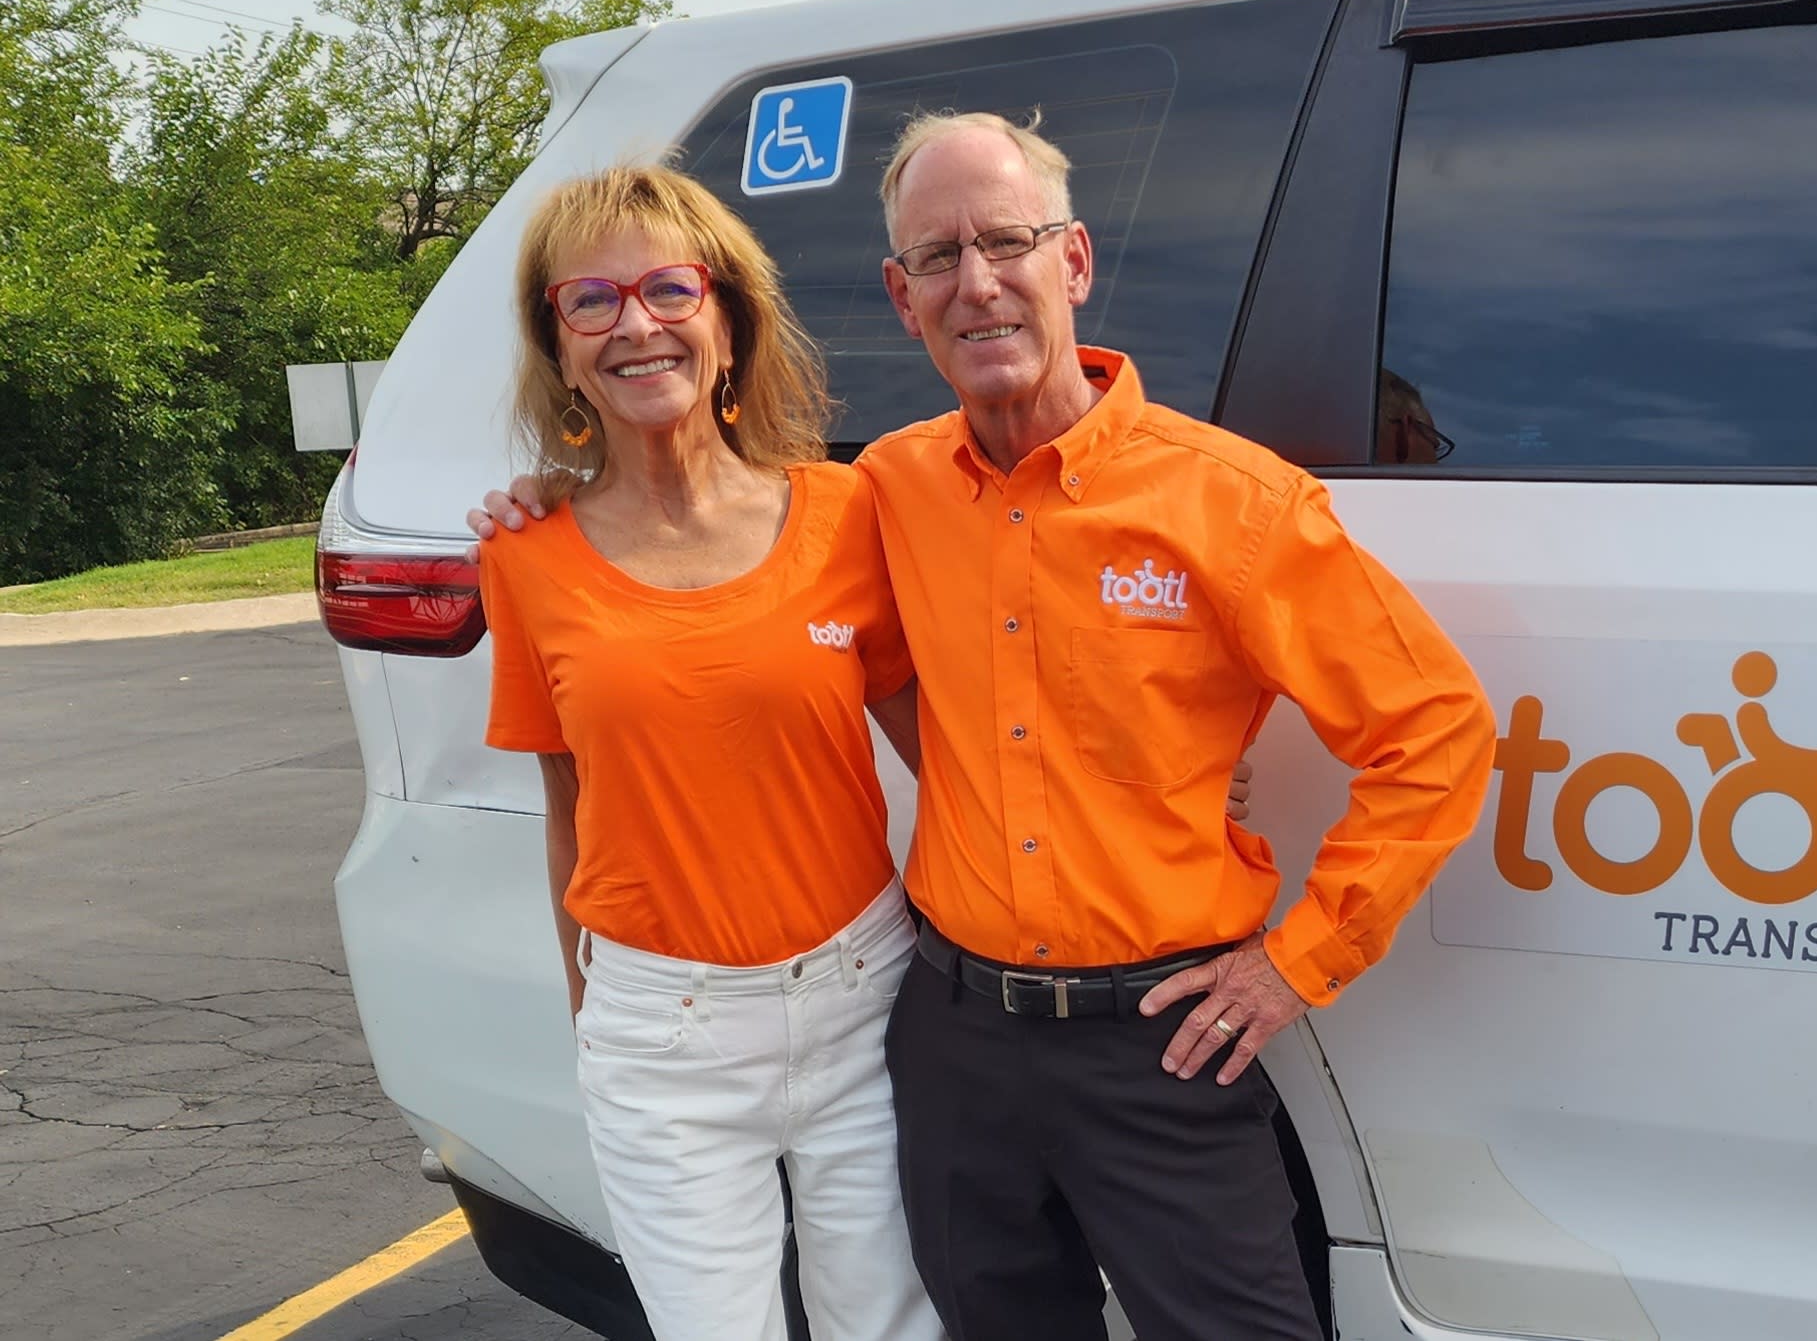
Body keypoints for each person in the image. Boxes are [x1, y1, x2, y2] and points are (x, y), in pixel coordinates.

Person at [859, 111, 1498, 1341]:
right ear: (901, 296)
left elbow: (1436, 729)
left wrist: (1297, 960)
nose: (976, 282)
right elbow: (733, 546)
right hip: (953, 1038)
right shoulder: (884, 489)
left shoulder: (1233, 502)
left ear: (1073, 262)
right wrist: (549, 491)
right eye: (937, 256)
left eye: (1007, 242)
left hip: (1159, 1045)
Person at [473, 164, 941, 1341]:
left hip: (863, 997)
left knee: (892, 1327)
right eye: (591, 301)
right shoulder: (525, 555)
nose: (636, 324)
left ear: (728, 324)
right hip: (660, 1032)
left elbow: (954, 750)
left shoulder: (845, 514)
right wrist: (596, 1018)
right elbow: (566, 803)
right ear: (561, 349)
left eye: (669, 289)